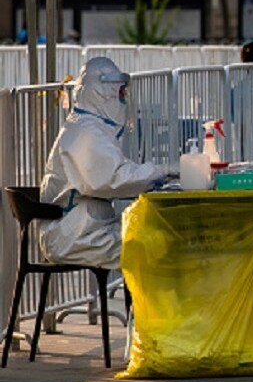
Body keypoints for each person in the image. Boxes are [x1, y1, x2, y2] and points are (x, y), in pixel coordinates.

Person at [39, 56, 168, 269]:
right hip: (75, 237)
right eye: (120, 93)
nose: (123, 98)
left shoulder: (89, 126)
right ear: (102, 93)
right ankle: (159, 303)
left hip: (86, 229)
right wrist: (160, 172)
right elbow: (114, 178)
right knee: (156, 245)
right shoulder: (85, 132)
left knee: (156, 235)